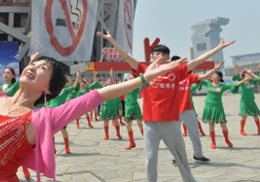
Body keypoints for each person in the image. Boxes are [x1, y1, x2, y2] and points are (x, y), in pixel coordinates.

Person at [0, 4, 187, 181]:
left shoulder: (42, 118)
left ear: (48, 88)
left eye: (42, 68)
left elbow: (94, 97)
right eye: (32, 63)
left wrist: (143, 79)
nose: (32, 67)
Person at [96, 30, 235, 182]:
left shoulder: (177, 71)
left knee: (181, 157)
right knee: (150, 158)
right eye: (157, 54)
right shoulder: (145, 70)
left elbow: (198, 61)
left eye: (163, 54)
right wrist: (111, 40)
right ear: (152, 57)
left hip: (170, 122)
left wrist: (219, 48)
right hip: (150, 122)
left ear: (168, 57)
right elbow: (126, 57)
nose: (160, 57)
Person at [168, 57, 223, 165]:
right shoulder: (169, 77)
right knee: (174, 134)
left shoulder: (188, 76)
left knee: (194, 132)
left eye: (182, 63)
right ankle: (175, 157)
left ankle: (198, 155)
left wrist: (213, 70)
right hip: (173, 110)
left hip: (187, 108)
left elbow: (202, 77)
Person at [200, 71, 246, 148]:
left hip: (218, 107)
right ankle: (213, 142)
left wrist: (243, 80)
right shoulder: (208, 84)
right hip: (209, 107)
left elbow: (234, 85)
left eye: (215, 75)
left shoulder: (223, 86)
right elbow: (199, 79)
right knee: (211, 125)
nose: (213, 76)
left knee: (223, 124)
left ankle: (227, 139)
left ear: (219, 78)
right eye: (212, 75)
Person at [233, 63, 260, 135]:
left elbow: (258, 78)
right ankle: (242, 130)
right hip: (244, 101)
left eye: (249, 74)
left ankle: (259, 129)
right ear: (244, 76)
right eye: (247, 74)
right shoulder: (242, 82)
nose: (248, 76)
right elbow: (236, 76)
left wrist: (253, 72)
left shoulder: (252, 81)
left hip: (252, 101)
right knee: (244, 115)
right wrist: (236, 68)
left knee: (256, 115)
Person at [123, 73, 143, 150]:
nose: (129, 77)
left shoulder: (136, 86)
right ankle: (132, 142)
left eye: (131, 76)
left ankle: (148, 141)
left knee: (140, 125)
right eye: (128, 76)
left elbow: (142, 81)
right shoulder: (126, 86)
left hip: (135, 106)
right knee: (128, 126)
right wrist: (111, 76)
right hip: (128, 107)